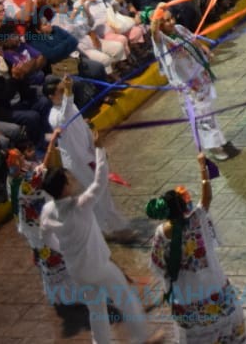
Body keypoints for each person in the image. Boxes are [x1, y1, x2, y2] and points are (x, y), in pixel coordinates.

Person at [40, 148, 159, 344]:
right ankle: (141, 339)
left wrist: (66, 251)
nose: (72, 180)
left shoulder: (48, 211)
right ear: (64, 188)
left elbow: (47, 240)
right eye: (68, 179)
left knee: (96, 309)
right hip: (99, 267)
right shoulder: (80, 205)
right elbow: (100, 181)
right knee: (126, 301)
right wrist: (99, 150)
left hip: (77, 270)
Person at [147, 154, 246, 344]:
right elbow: (207, 196)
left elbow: (158, 265)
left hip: (186, 296)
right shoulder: (197, 219)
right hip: (214, 289)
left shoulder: (161, 234)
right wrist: (203, 167)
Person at [45, 78, 133, 240]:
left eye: (63, 89)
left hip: (87, 154)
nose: (64, 92)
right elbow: (64, 118)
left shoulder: (72, 106)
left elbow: (83, 128)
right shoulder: (54, 116)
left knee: (99, 193)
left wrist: (97, 149)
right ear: (51, 96)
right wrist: (69, 92)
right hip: (77, 161)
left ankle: (105, 229)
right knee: (98, 192)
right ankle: (116, 228)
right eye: (60, 90)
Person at [151, 9, 239, 163]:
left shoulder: (179, 29)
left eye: (171, 18)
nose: (171, 22)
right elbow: (153, 31)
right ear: (159, 24)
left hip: (199, 76)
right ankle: (214, 148)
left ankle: (220, 141)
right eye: (165, 21)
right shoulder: (161, 40)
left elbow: (193, 40)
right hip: (188, 85)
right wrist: (158, 8)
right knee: (202, 116)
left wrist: (204, 50)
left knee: (209, 111)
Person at [8, 145, 77, 308]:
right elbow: (42, 172)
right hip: (39, 227)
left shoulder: (16, 181)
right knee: (55, 257)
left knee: (49, 257)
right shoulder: (26, 182)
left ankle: (61, 295)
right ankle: (69, 296)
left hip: (32, 226)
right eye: (20, 158)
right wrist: (51, 144)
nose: (24, 159)